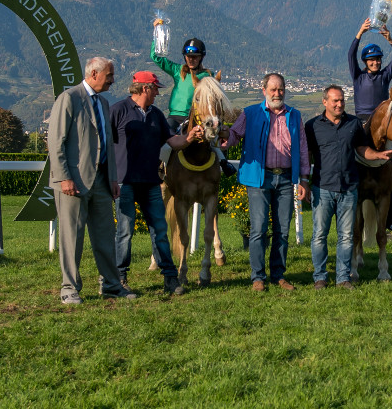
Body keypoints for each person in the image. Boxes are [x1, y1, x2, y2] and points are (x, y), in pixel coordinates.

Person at [48, 57, 136, 304]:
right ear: (94, 73)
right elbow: (56, 142)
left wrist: (112, 178)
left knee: (105, 236)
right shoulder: (69, 98)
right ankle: (69, 288)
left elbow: (106, 143)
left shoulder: (104, 103)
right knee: (71, 238)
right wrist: (64, 177)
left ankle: (110, 285)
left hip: (101, 182)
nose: (112, 80)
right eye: (109, 75)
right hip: (73, 183)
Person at [109, 70, 201, 295]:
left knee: (159, 229)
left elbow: (172, 140)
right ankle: (119, 278)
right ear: (144, 88)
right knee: (125, 231)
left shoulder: (156, 115)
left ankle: (169, 278)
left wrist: (188, 138)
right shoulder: (118, 111)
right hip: (125, 182)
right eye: (155, 88)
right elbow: (105, 143)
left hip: (151, 181)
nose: (158, 93)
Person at [220, 73, 309, 292]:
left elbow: (303, 148)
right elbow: (233, 136)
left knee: (283, 231)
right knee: (258, 229)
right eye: (273, 89)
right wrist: (222, 136)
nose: (277, 93)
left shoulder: (295, 116)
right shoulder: (250, 113)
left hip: (287, 178)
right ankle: (257, 277)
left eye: (281, 89)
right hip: (259, 178)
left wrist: (304, 179)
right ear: (264, 91)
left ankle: (278, 275)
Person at [305, 86, 392, 290]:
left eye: (342, 100)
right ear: (325, 102)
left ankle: (343, 278)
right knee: (319, 235)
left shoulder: (354, 124)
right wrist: (304, 181)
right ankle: (320, 277)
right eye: (335, 101)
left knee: (347, 236)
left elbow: (362, 150)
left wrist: (379, 155)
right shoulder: (312, 126)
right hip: (323, 188)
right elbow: (307, 155)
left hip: (348, 189)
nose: (339, 104)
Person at [349, 17, 392, 235]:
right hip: (361, 120)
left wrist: (390, 40)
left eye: (378, 59)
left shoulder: (385, 76)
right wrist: (359, 33)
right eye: (371, 60)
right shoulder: (357, 76)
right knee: (348, 147)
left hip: (382, 120)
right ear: (365, 61)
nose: (375, 62)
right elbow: (350, 55)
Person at [151, 34, 236, 176]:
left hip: (198, 116)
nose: (191, 59)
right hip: (176, 116)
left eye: (195, 56)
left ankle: (223, 162)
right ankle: (159, 166)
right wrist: (157, 34)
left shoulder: (207, 76)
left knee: (213, 137)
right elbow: (156, 58)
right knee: (162, 137)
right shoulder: (178, 71)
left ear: (201, 57)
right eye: (188, 56)